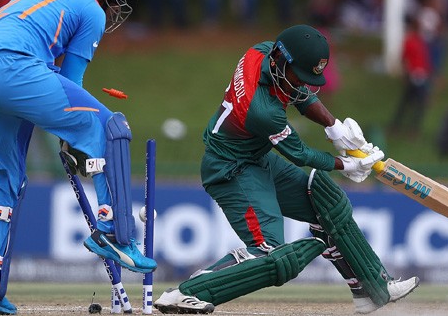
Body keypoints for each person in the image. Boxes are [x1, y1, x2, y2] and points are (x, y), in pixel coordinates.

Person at [154, 25, 419, 314]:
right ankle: (183, 293)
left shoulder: (265, 51)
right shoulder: (262, 110)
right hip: (231, 170)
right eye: (299, 76)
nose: (300, 84)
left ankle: (372, 288)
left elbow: (301, 94)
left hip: (258, 156)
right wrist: (348, 164)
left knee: (328, 206)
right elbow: (301, 154)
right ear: (280, 61)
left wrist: (334, 127)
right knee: (271, 254)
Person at [0, 0, 156, 314]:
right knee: (110, 126)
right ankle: (114, 231)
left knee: (5, 175)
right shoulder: (93, 10)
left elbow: (57, 89)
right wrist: (77, 140)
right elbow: (70, 82)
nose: (117, 8)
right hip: (16, 69)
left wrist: (71, 136)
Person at [389, 16, 433, 138]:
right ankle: (404, 128)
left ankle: (404, 127)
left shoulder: (420, 41)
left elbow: (424, 60)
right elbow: (405, 58)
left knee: (412, 104)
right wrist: (405, 73)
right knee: (411, 104)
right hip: (414, 75)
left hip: (421, 76)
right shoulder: (411, 41)